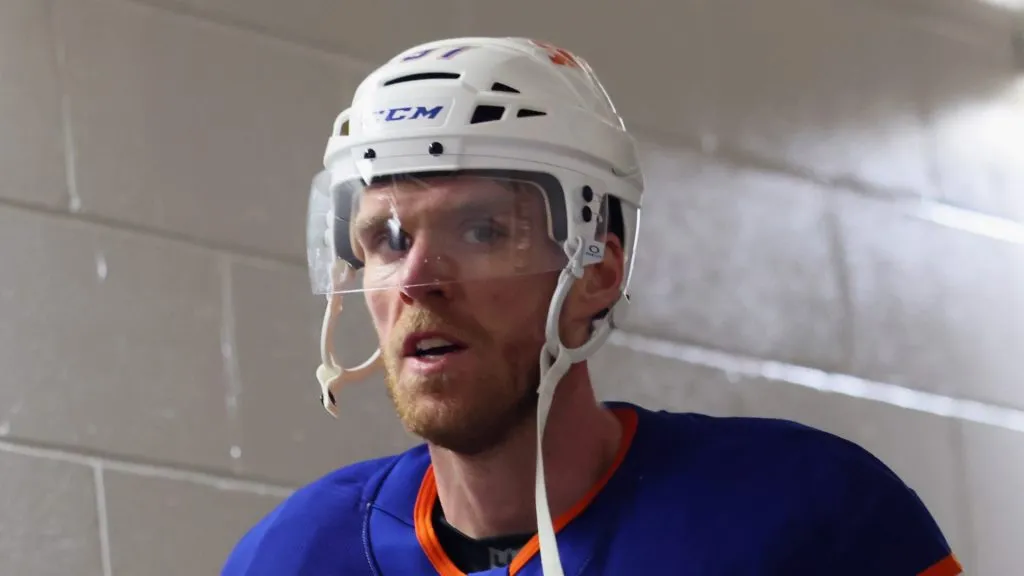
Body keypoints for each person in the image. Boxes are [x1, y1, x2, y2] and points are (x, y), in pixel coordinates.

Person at [222, 37, 963, 576]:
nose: (418, 279)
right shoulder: (293, 556)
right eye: (386, 239)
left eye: (481, 231)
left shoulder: (807, 516)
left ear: (596, 274)